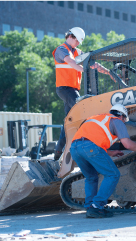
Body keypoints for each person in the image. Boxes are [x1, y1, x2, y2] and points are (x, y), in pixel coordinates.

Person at [70, 104, 136, 218]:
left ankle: (90, 207)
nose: (124, 123)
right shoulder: (117, 121)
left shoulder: (97, 118)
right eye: (125, 120)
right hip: (89, 147)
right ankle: (97, 206)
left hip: (75, 148)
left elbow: (90, 141)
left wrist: (110, 153)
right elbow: (127, 144)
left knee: (91, 177)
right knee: (112, 174)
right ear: (122, 116)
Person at [52, 27, 114, 160]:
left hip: (73, 90)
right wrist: (85, 69)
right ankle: (88, 144)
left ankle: (58, 152)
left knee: (69, 120)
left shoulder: (77, 52)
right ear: (72, 37)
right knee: (83, 110)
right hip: (64, 89)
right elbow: (70, 62)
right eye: (78, 41)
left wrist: (109, 72)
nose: (78, 44)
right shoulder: (61, 50)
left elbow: (93, 64)